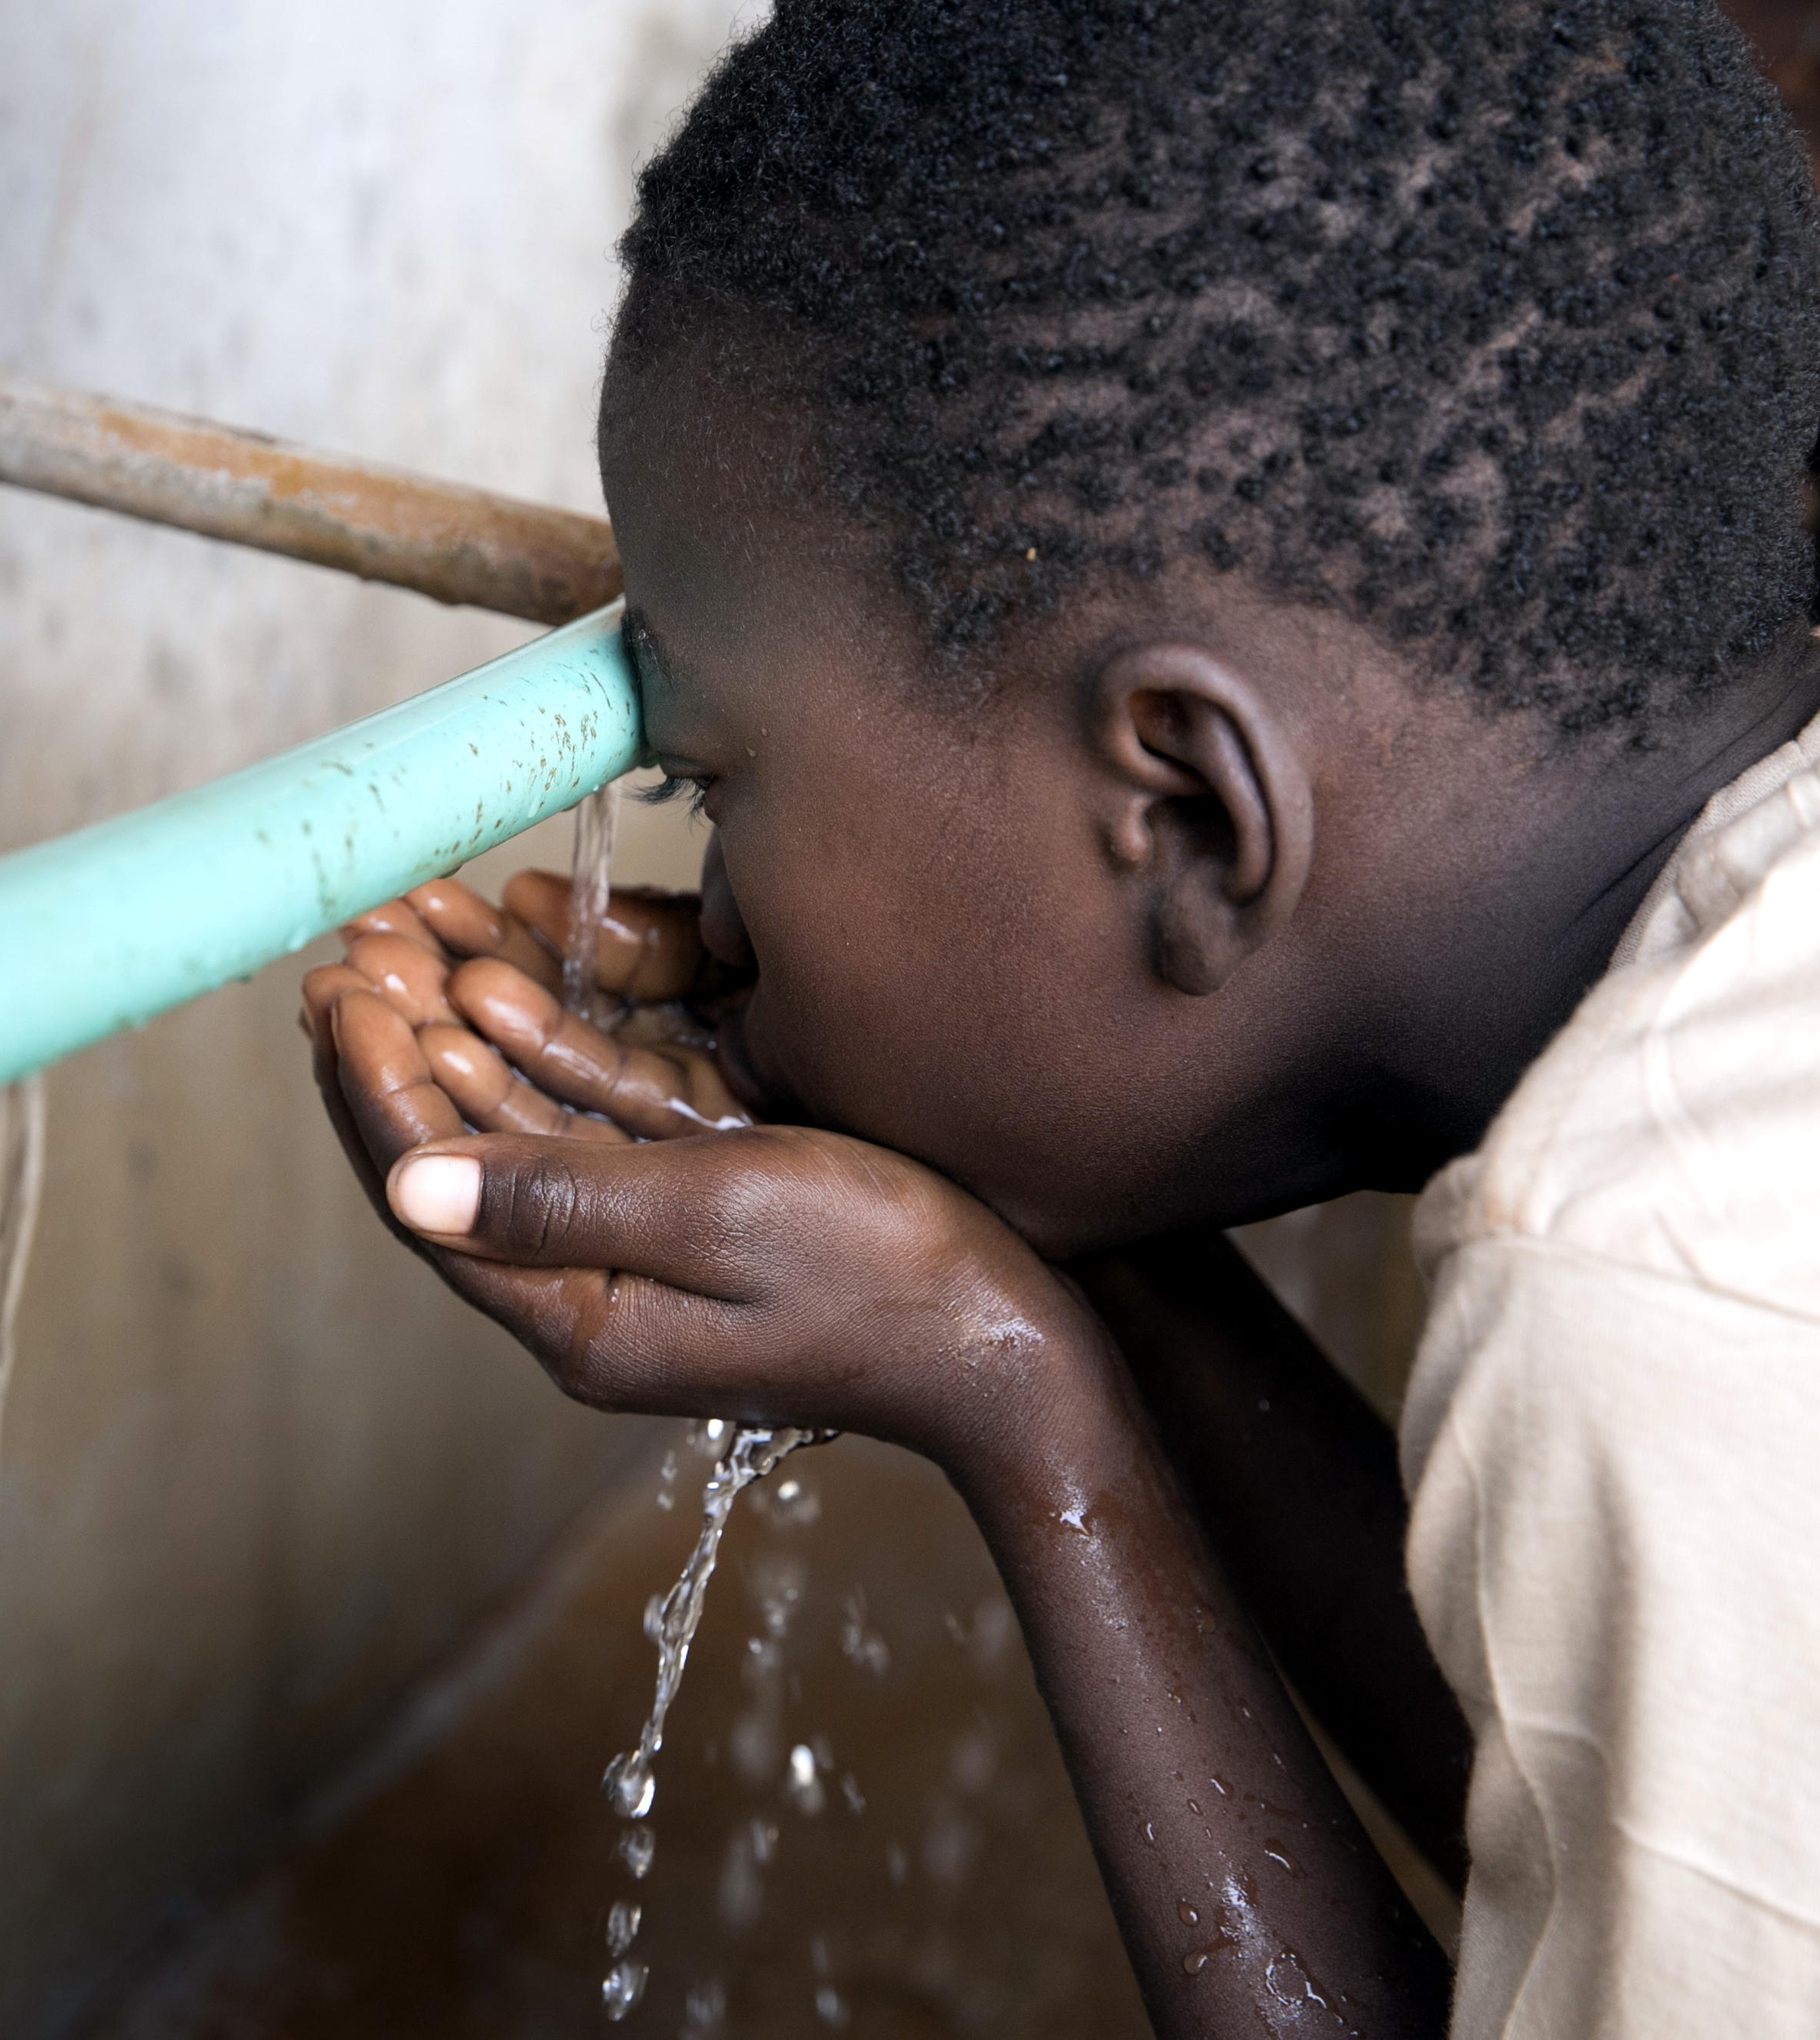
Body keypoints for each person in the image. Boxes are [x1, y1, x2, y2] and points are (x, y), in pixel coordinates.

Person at [299, 3, 1820, 2032]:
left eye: (712, 781)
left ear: (1185, 810)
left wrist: (1028, 1405)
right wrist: (1108, 1271)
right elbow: (1640, 1810)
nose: (715, 900)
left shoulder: (1646, 1292)